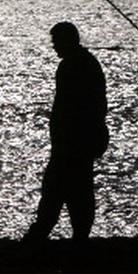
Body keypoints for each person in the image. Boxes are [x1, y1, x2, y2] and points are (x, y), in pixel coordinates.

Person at [24, 22, 108, 243]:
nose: (54, 47)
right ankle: (76, 237)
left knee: (57, 191)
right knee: (78, 191)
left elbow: (67, 108)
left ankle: (40, 237)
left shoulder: (71, 67)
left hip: (71, 143)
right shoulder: (88, 63)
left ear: (66, 40)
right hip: (82, 141)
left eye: (56, 42)